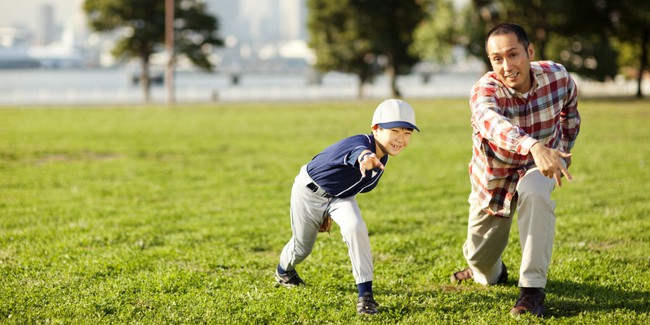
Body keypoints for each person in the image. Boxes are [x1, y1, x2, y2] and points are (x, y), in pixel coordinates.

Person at [450, 23, 581, 317]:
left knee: (536, 194)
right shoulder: (484, 90)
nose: (507, 66)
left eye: (513, 54)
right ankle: (490, 271)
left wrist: (560, 155)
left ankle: (532, 291)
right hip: (494, 181)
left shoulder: (557, 76)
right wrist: (533, 145)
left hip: (536, 168)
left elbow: (570, 111)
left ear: (529, 52)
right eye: (497, 59)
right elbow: (494, 125)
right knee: (479, 260)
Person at [275, 99, 419, 316]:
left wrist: (332, 211)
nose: (401, 138)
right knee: (302, 247)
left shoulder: (383, 159)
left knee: (355, 226)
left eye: (407, 132)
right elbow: (358, 153)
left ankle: (365, 297)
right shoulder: (360, 144)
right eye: (394, 130)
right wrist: (366, 157)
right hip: (308, 192)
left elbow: (353, 184)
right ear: (376, 130)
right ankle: (283, 272)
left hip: (339, 197)